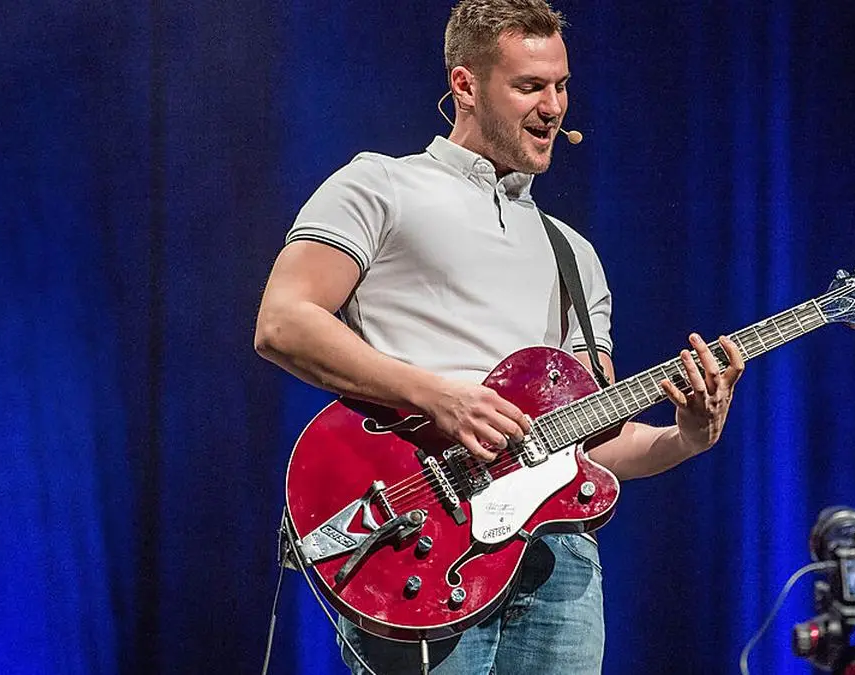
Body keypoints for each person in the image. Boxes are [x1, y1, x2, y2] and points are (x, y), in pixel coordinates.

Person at [254, 1, 745, 672]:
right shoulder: (380, 184)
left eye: (561, 86)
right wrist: (438, 396)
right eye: (529, 86)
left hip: (560, 565)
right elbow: (284, 321)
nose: (554, 107)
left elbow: (592, 443)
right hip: (418, 541)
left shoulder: (575, 255)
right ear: (465, 85)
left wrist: (685, 437)